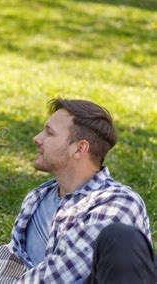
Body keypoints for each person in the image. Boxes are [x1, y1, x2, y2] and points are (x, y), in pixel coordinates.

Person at [10, 98, 155, 283]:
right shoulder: (37, 199)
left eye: (49, 133)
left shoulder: (118, 203)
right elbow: (16, 260)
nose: (37, 138)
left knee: (121, 237)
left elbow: (62, 275)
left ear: (79, 149)